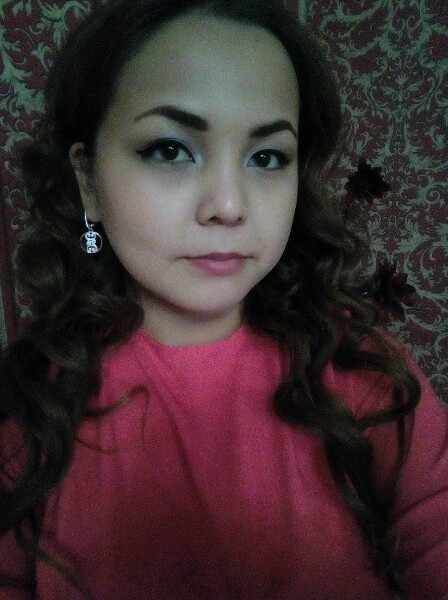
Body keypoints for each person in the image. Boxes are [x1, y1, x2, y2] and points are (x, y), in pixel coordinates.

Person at [0, 0, 447, 598]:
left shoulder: (362, 368)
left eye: (267, 158)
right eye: (170, 150)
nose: (230, 206)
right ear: (89, 181)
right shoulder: (32, 402)